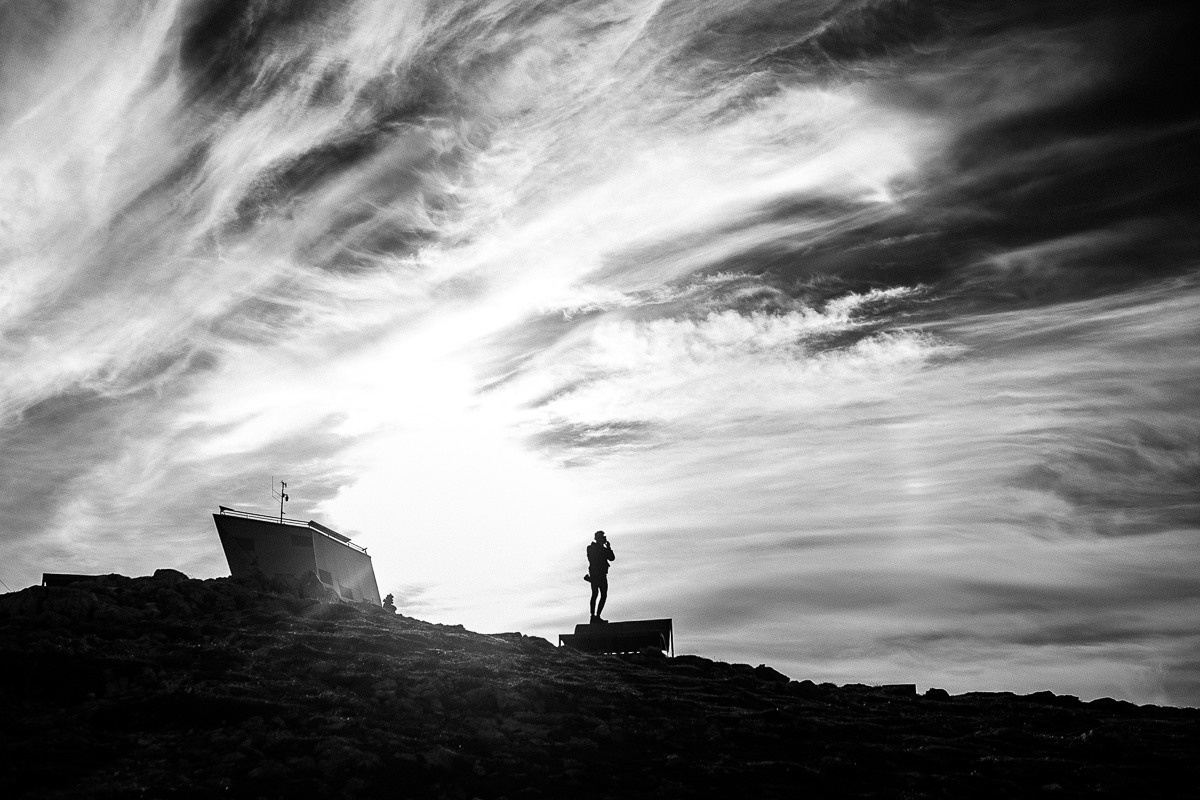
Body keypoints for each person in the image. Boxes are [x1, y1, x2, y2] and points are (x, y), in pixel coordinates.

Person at [585, 530, 615, 623]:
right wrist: (604, 548)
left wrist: (608, 548)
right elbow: (592, 557)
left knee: (603, 595)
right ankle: (593, 616)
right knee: (595, 594)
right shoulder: (591, 548)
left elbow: (612, 558)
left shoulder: (603, 549)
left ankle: (597, 616)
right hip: (595, 574)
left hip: (602, 575)